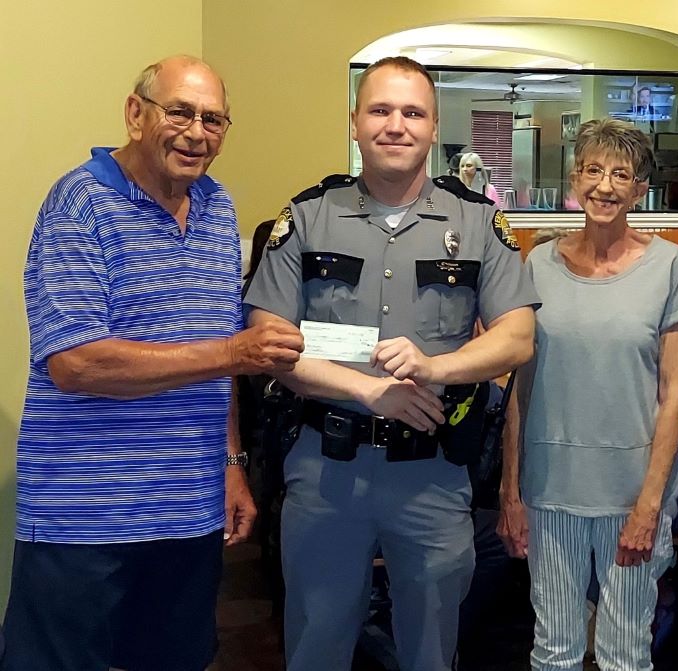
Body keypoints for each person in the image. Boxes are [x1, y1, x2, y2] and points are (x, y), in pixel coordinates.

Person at [0, 56, 305, 671]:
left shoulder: (218, 209)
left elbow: (215, 359)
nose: (197, 133)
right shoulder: (78, 205)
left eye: (214, 119)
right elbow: (76, 364)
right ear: (136, 114)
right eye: (181, 112)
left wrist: (230, 463)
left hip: (187, 510)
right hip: (83, 513)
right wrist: (234, 352)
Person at [243, 55, 539, 671]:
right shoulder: (305, 217)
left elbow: (516, 339)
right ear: (355, 122)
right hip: (326, 474)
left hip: (430, 477)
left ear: (434, 127)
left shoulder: (479, 223)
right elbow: (269, 343)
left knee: (431, 651)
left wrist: (434, 369)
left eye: (412, 112)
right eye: (379, 110)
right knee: (315, 645)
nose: (395, 125)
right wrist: (367, 390)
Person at [498, 117, 678, 671]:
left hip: (632, 494)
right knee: (554, 648)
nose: (604, 186)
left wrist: (651, 503)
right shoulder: (537, 262)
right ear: (573, 180)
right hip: (549, 489)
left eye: (620, 174)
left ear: (639, 190)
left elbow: (675, 391)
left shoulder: (667, 265)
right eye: (592, 170)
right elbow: (521, 387)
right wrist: (511, 490)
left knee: (624, 653)